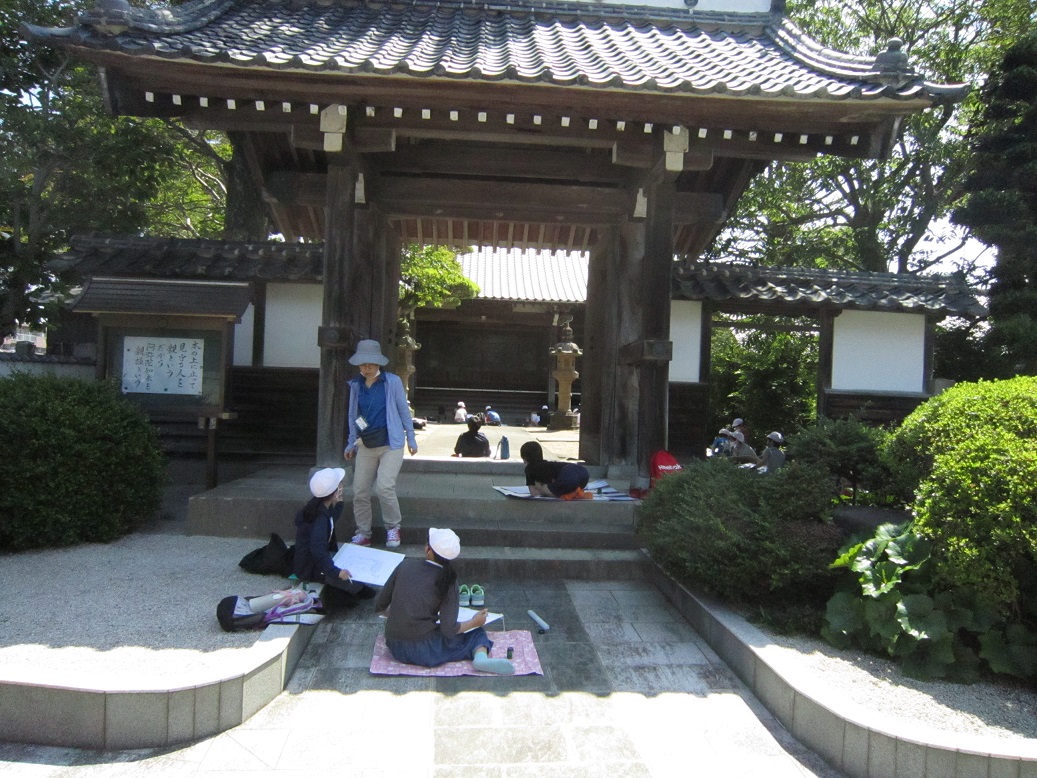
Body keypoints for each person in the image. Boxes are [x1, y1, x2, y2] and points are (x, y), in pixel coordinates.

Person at [374, 527, 514, 674]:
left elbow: (379, 604)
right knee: (476, 634)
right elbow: (449, 630)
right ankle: (481, 659)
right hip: (425, 651)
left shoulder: (405, 565)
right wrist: (474, 622)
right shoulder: (448, 581)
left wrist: (402, 613)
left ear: (428, 549)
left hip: (394, 645)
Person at [344, 339, 418, 549]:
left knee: (384, 487)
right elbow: (353, 416)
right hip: (366, 443)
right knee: (359, 490)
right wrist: (351, 443)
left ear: (379, 364)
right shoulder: (356, 385)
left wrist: (411, 438)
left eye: (371, 364)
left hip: (390, 443)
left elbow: (403, 410)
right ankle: (363, 532)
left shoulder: (392, 382)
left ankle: (393, 527)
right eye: (363, 364)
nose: (367, 368)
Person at [293, 467, 374, 606]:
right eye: (339, 485)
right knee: (362, 590)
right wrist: (336, 572)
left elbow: (332, 518)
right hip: (311, 567)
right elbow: (318, 549)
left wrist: (339, 502)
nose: (342, 486)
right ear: (335, 491)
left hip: (314, 560)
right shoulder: (320, 519)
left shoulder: (321, 507)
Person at [519, 440, 591, 499]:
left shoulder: (529, 469)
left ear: (525, 458)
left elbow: (534, 493)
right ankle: (576, 491)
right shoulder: (548, 464)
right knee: (560, 486)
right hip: (583, 472)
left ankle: (573, 494)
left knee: (544, 489)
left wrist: (540, 489)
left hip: (567, 476)